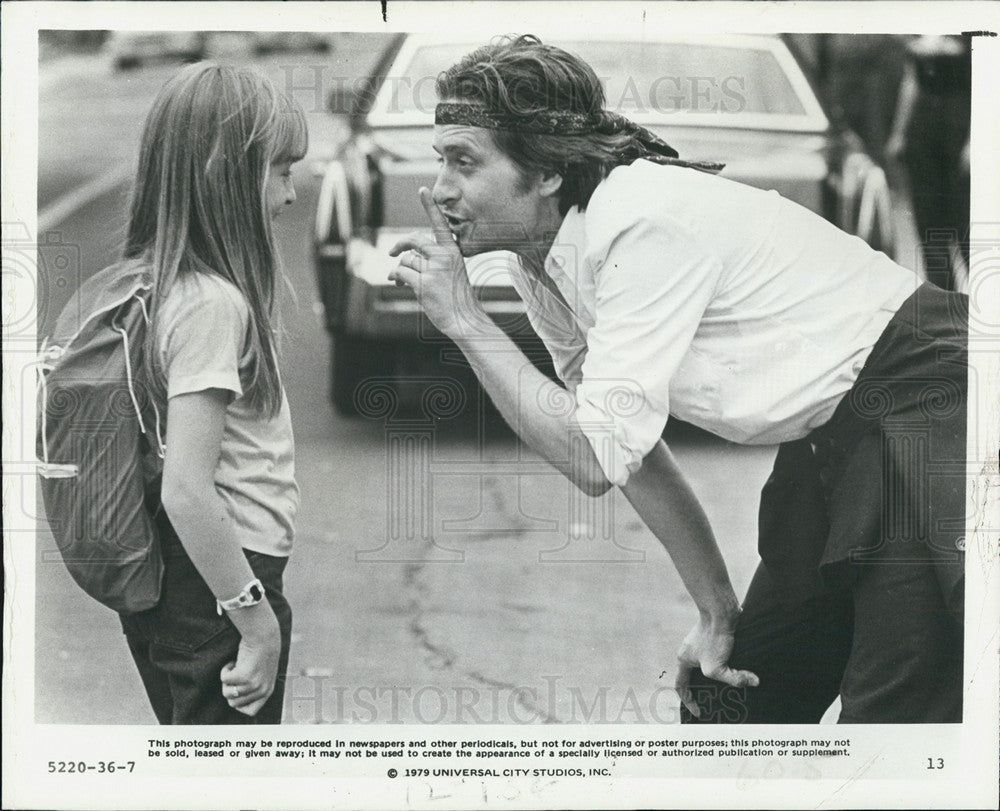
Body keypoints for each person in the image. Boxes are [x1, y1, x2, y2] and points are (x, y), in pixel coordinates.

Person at [389, 35, 967, 724]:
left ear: (545, 171)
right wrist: (716, 606)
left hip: (933, 406)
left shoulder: (638, 224)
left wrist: (466, 321)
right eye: (439, 160)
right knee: (734, 698)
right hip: (835, 435)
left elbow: (592, 456)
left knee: (894, 727)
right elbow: (621, 445)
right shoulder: (540, 256)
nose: (440, 188)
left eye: (464, 161)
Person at [117, 62, 306, 723]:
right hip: (222, 583)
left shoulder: (153, 285)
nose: (291, 191)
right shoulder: (210, 305)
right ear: (221, 174)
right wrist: (256, 621)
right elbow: (188, 487)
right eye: (279, 169)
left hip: (185, 583)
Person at [886, 35, 971, 292]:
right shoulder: (917, 41)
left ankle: (987, 305)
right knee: (929, 221)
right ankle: (944, 302)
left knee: (965, 223)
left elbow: (986, 87)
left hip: (959, 133)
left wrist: (974, 139)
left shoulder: (973, 37)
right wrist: (899, 133)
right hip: (923, 136)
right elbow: (911, 83)